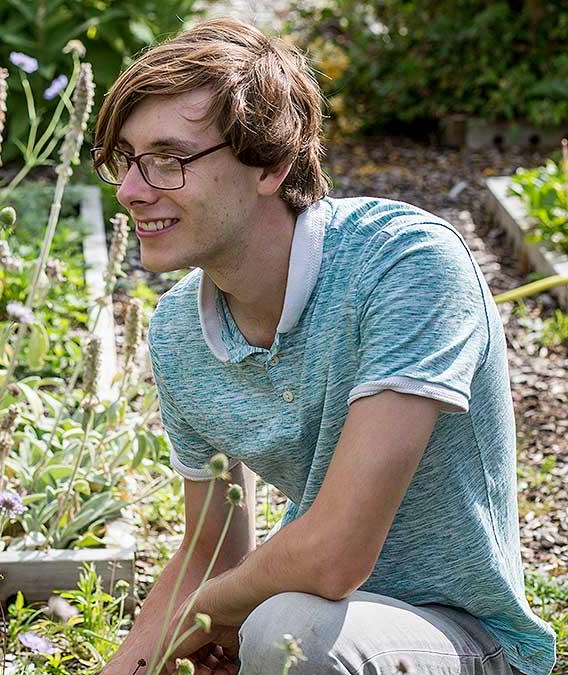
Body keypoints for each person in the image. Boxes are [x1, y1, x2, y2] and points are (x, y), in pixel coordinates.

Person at [89, 18, 556, 675]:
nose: (132, 190)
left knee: (289, 632)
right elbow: (208, 547)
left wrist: (213, 610)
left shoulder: (406, 263)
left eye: (169, 160)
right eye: (124, 160)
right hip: (308, 605)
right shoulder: (176, 332)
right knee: (279, 629)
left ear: (271, 164)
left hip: (463, 632)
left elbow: (337, 552)